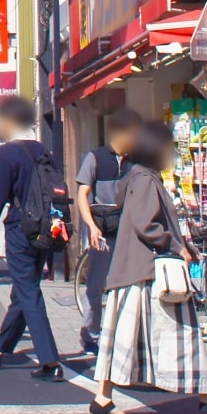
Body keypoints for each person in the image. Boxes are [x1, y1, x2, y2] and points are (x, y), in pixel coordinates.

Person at [89, 122, 207, 414]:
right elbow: (146, 224)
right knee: (182, 336)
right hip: (150, 273)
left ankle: (103, 399)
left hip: (135, 272)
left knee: (122, 339)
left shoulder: (136, 177)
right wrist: (175, 245)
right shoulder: (144, 180)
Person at [0, 95, 66, 381]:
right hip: (45, 227)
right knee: (23, 291)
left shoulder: (7, 155)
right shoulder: (43, 150)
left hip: (20, 229)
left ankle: (50, 360)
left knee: (28, 291)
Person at [74, 108, 142, 355]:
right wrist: (91, 226)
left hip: (127, 229)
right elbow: (82, 195)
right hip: (102, 230)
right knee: (96, 284)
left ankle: (122, 334)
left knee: (126, 283)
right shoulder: (96, 158)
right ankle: (90, 333)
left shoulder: (135, 160)